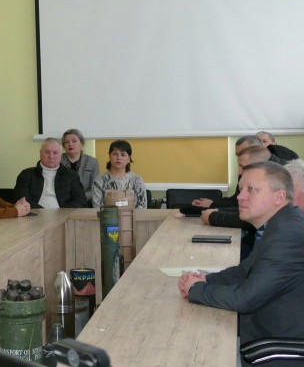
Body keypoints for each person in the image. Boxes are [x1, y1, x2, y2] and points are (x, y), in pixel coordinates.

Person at [178, 162, 304, 349]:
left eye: (251, 189)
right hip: (264, 329)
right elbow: (244, 271)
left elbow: (246, 299)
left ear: (279, 197)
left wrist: (196, 289)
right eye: (241, 189)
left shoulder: (287, 234)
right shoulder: (279, 224)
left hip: (277, 344)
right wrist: (205, 279)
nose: (240, 196)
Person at [14, 138, 87, 208]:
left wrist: (61, 212)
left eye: (55, 153)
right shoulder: (27, 175)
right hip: (35, 214)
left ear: (61, 155)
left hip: (63, 215)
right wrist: (42, 212)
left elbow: (81, 201)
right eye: (47, 152)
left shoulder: (71, 176)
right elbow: (21, 199)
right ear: (40, 153)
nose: (51, 156)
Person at [92, 140, 148, 208]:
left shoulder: (137, 180)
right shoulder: (99, 181)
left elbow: (142, 206)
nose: (119, 158)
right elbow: (97, 207)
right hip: (107, 215)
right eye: (115, 154)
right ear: (109, 157)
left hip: (133, 214)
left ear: (129, 159)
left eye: (123, 155)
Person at [60, 129, 100, 206]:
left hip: (85, 202)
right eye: (67, 142)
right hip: (62, 202)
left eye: (74, 141)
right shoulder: (58, 160)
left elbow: (95, 189)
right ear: (64, 146)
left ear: (82, 144)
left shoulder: (92, 162)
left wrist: (79, 198)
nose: (70, 144)